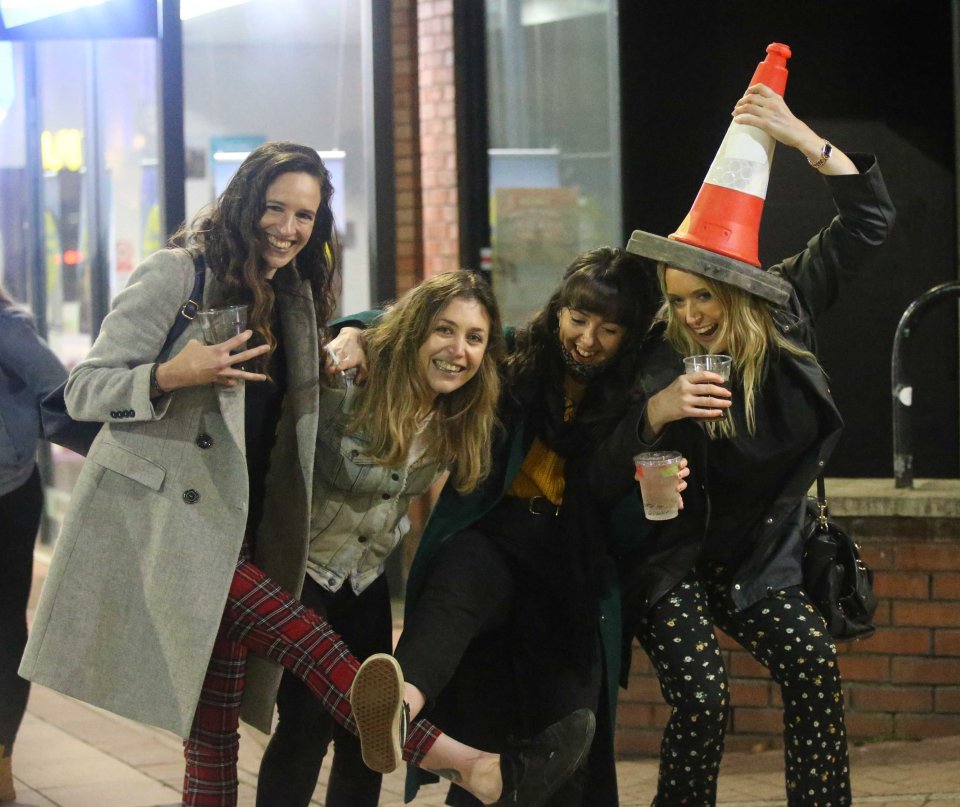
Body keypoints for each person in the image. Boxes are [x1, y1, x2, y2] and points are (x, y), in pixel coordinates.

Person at [18, 141, 593, 807]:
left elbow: (368, 346)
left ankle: (470, 763)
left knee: (213, 738)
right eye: (275, 208)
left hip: (245, 537)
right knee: (316, 644)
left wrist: (352, 338)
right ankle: (466, 760)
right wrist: (172, 374)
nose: (289, 227)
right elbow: (82, 391)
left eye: (305, 215)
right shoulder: (177, 274)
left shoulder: (293, 297)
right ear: (244, 201)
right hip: (172, 530)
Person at [613, 84, 896, 806]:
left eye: (701, 297)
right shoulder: (658, 353)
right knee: (706, 702)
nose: (690, 315)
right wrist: (657, 412)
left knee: (811, 664)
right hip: (673, 558)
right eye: (676, 300)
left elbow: (868, 221)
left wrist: (804, 137)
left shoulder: (786, 308)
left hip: (758, 558)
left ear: (737, 289)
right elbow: (606, 441)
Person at [391, 247, 665, 807]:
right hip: (497, 534)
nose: (587, 339)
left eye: (608, 329)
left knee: (567, 735)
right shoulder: (518, 354)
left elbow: (626, 531)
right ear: (559, 308)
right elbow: (404, 327)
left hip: (571, 560)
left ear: (628, 335)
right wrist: (349, 332)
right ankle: (394, 704)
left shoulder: (634, 396)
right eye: (578, 318)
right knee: (457, 590)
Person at [255, 268, 504, 806]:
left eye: (474, 337)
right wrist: (356, 332)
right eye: (444, 329)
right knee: (306, 723)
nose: (458, 350)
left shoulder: (461, 413)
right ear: (416, 329)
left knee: (368, 737)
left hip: (364, 577)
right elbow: (349, 338)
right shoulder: (351, 381)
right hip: (303, 569)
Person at [0, 284, 67, 804]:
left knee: (3, 630)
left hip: (5, 496)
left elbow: (59, 386)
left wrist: (15, 440)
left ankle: (0, 758)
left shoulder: (6, 325)